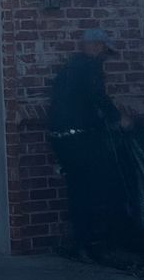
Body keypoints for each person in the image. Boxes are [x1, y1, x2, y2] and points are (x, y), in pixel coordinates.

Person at [46, 27, 129, 261]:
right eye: (103, 49)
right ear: (95, 46)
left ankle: (81, 243)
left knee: (77, 189)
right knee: (97, 189)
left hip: (60, 137)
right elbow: (96, 96)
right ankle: (96, 243)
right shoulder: (90, 68)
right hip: (79, 138)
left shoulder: (69, 67)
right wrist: (117, 118)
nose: (104, 54)